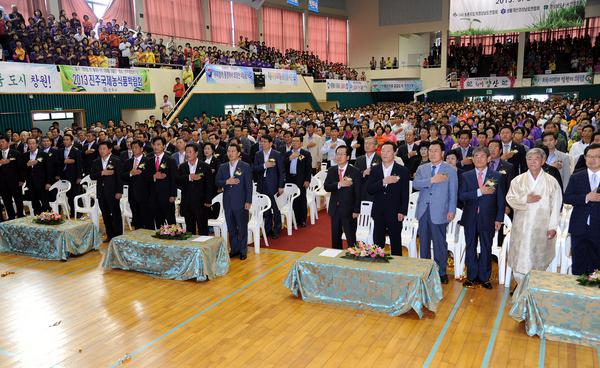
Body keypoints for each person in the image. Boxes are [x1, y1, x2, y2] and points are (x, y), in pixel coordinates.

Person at [505, 148, 562, 287]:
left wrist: (553, 227)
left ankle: (534, 286)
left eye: (536, 158)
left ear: (543, 161)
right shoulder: (518, 180)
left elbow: (556, 205)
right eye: (529, 159)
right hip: (521, 226)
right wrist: (526, 199)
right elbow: (510, 198)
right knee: (520, 257)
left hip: (542, 227)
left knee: (538, 257)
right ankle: (520, 286)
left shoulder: (551, 181)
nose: (532, 162)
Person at [458, 147, 505, 289]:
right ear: (472, 159)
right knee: (470, 246)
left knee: (486, 247)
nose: (479, 159)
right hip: (470, 217)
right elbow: (462, 196)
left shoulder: (495, 176)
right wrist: (479, 191)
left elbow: (501, 200)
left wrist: (499, 218)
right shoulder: (466, 175)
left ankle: (485, 277)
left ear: (489, 158)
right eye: (476, 156)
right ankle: (471, 276)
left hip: (488, 218)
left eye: (482, 156)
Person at [413, 141, 458, 283]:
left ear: (443, 153)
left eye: (435, 151)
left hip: (440, 211)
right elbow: (416, 184)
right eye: (430, 151)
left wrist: (451, 210)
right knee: (424, 242)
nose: (432, 153)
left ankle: (441, 272)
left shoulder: (450, 169)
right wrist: (432, 180)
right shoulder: (422, 168)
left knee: (440, 243)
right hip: (423, 211)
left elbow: (453, 192)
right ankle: (424, 270)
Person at [367, 142, 410, 256]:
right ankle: (377, 263)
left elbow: (405, 193)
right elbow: (369, 189)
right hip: (378, 210)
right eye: (383, 151)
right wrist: (383, 181)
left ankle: (396, 267)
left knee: (395, 241)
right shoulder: (375, 169)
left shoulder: (402, 170)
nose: (385, 154)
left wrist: (402, 211)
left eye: (388, 151)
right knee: (378, 241)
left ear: (395, 153)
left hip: (395, 211)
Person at [563, 143, 600, 275]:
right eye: (589, 156)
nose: (592, 159)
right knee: (578, 263)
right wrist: (586, 197)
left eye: (596, 156)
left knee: (597, 264)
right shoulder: (577, 176)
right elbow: (567, 198)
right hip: (579, 227)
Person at [215, 144, 252, 260]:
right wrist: (227, 181)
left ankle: (243, 250)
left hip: (241, 201)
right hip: (228, 202)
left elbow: (249, 186)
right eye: (229, 151)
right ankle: (234, 249)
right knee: (231, 227)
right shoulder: (223, 166)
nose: (230, 153)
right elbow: (217, 182)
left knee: (241, 227)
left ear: (238, 153)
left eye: (233, 151)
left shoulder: (245, 166)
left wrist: (248, 201)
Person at [324, 146, 362, 249]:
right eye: (337, 154)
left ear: (348, 157)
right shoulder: (332, 170)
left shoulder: (355, 171)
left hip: (349, 210)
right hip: (335, 209)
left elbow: (358, 193)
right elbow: (326, 187)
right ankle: (336, 258)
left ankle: (353, 257)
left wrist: (356, 210)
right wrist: (339, 184)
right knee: (335, 237)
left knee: (350, 237)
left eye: (342, 154)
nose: (339, 156)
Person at [176, 144, 214, 235]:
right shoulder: (182, 167)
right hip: (187, 203)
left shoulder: (205, 166)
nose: (188, 154)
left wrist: (208, 200)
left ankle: (203, 248)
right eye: (186, 152)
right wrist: (189, 177)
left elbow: (209, 185)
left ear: (196, 153)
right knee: (189, 229)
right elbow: (177, 181)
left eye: (190, 152)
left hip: (201, 203)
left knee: (203, 228)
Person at [253, 135, 285, 239]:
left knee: (275, 209)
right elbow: (254, 169)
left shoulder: (277, 154)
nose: (262, 144)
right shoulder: (258, 154)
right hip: (262, 184)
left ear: (271, 143)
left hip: (274, 185)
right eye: (261, 141)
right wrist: (264, 166)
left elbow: (281, 172)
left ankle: (277, 229)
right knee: (265, 209)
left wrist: (281, 186)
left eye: (265, 142)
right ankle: (267, 230)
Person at [90, 141, 123, 241]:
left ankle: (118, 235)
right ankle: (109, 235)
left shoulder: (116, 160)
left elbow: (119, 177)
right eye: (100, 149)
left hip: (113, 192)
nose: (101, 151)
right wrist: (102, 173)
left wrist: (119, 191)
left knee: (115, 213)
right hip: (101, 192)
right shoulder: (96, 161)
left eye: (104, 148)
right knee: (105, 214)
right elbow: (92, 176)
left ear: (109, 149)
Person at [144, 136, 177, 227]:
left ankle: (174, 238)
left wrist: (173, 195)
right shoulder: (149, 161)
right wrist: (154, 177)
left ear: (164, 146)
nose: (156, 147)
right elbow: (145, 177)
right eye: (154, 145)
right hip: (153, 196)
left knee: (171, 220)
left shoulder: (170, 160)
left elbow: (174, 179)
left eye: (158, 145)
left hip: (167, 195)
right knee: (158, 220)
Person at [121, 140, 151, 229]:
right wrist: (130, 173)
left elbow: (150, 176)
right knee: (136, 217)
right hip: (133, 193)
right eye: (132, 148)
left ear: (141, 149)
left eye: (136, 147)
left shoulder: (148, 161)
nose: (134, 149)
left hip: (145, 194)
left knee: (146, 217)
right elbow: (122, 175)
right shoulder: (128, 162)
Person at [284, 135, 312, 228]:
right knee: (292, 200)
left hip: (301, 179)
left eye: (297, 141)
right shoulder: (288, 154)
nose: (295, 143)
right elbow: (283, 165)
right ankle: (293, 219)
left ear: (301, 143)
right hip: (290, 179)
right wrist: (290, 158)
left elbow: (308, 169)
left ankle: (302, 220)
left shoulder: (305, 153)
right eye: (293, 141)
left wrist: (307, 180)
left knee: (301, 199)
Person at [24, 138, 52, 215]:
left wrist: (48, 182)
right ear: (27, 145)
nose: (31, 145)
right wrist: (27, 165)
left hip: (43, 182)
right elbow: (22, 169)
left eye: (33, 143)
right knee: (34, 202)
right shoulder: (25, 155)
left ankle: (48, 218)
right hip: (31, 183)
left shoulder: (44, 154)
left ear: (37, 144)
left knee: (45, 202)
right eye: (29, 143)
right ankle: (38, 217)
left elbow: (49, 170)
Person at [57, 134, 82, 218]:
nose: (65, 141)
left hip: (74, 176)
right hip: (64, 176)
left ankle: (78, 212)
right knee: (69, 195)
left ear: (71, 141)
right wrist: (65, 161)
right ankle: (72, 211)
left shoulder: (76, 151)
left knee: (75, 194)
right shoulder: (60, 151)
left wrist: (79, 177)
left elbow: (79, 165)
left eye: (67, 139)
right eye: (64, 139)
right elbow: (58, 163)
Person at [0, 136, 24, 220]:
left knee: (18, 201)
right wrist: (1, 163)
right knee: (7, 201)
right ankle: (11, 217)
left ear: (8, 142)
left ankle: (21, 216)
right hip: (2, 183)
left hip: (15, 182)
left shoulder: (16, 153)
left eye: (3, 141)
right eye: (0, 142)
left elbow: (21, 168)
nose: (1, 143)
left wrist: (21, 180)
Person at [355, 137, 381, 201]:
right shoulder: (359, 159)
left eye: (370, 143)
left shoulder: (381, 159)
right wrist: (363, 173)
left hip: (376, 193)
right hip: (361, 193)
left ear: (376, 146)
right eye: (366, 143)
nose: (367, 145)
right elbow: (354, 176)